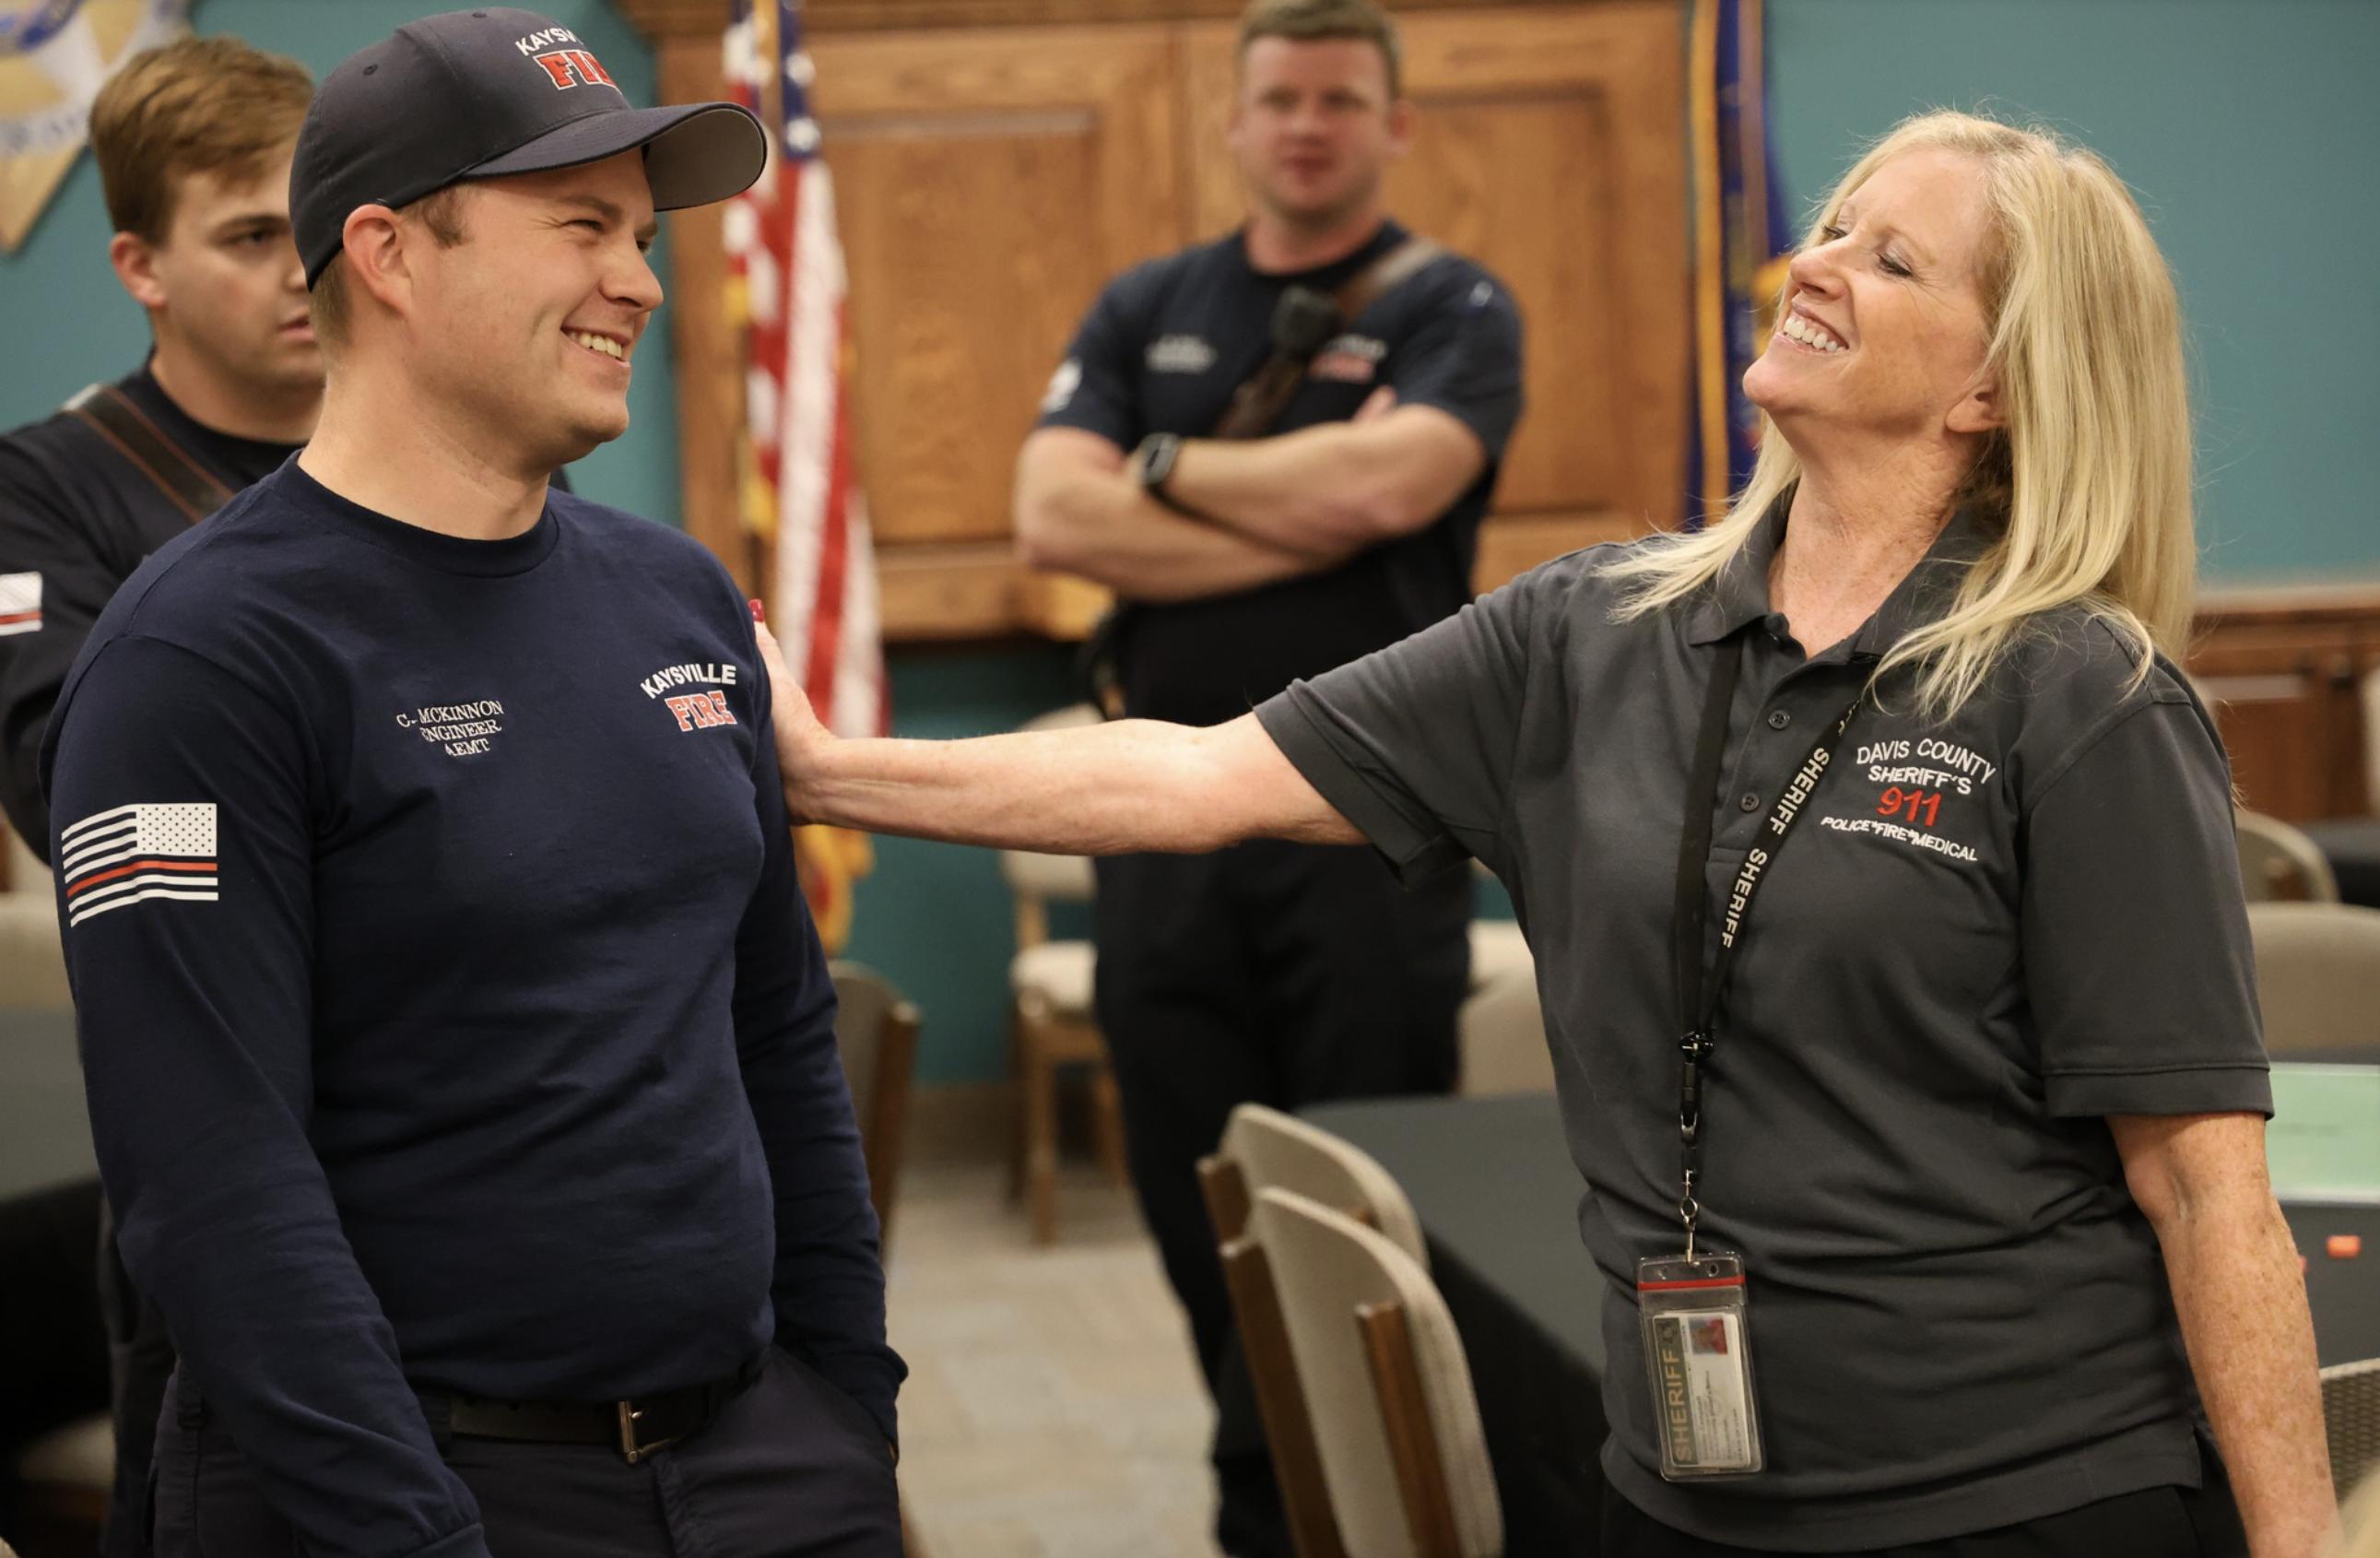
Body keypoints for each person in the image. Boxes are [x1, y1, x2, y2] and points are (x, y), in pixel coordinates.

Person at [758, 111, 2336, 1557]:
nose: (1815, 264)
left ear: (1987, 386)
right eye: (1833, 229)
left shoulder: (2078, 693)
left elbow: (2208, 1195)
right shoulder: (1589, 632)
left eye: (1892, 258)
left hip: (2018, 1493)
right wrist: (826, 773)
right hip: (1678, 1489)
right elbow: (1194, 777)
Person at [43, 10, 902, 1557]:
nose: (640, 281)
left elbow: (778, 1033)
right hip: (412, 1497)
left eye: (642, 238)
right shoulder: (195, 657)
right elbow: (211, 1179)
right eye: (582, 226)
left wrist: (845, 1415)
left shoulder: (681, 600)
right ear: (387, 253)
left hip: (758, 1465)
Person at [1016, 2, 1520, 1546]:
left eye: (1339, 100)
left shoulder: (1455, 306)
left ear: (1394, 125)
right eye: (1281, 98)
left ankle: (1334, 1508)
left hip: (1367, 823)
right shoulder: (1147, 303)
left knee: (1357, 1186)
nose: (1307, 125)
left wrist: (1166, 470)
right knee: (1195, 1193)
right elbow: (1053, 516)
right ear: (1233, 123)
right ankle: (1275, 1492)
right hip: (1160, 824)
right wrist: (1302, 510)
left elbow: (1391, 483)